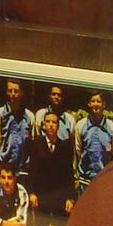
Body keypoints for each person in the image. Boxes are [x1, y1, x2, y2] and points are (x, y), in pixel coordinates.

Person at [27, 90, 75, 218]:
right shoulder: (37, 143)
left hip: (58, 196)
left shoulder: (65, 147)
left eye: (54, 122)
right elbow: (32, 170)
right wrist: (31, 193)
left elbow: (68, 174)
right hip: (40, 195)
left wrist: (70, 197)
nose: (51, 125)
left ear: (58, 126)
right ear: (43, 125)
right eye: (48, 122)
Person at [63, 92, 113, 200]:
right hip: (85, 180)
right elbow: (78, 151)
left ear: (104, 104)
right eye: (93, 101)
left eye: (98, 101)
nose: (95, 104)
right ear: (88, 104)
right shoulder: (81, 125)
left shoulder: (112, 128)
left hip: (104, 179)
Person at [0, 80, 31, 173]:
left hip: (23, 167)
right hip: (5, 166)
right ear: (7, 92)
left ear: (22, 93)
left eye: (16, 91)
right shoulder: (0, 114)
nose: (13, 94)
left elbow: (30, 142)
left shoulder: (29, 116)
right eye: (10, 91)